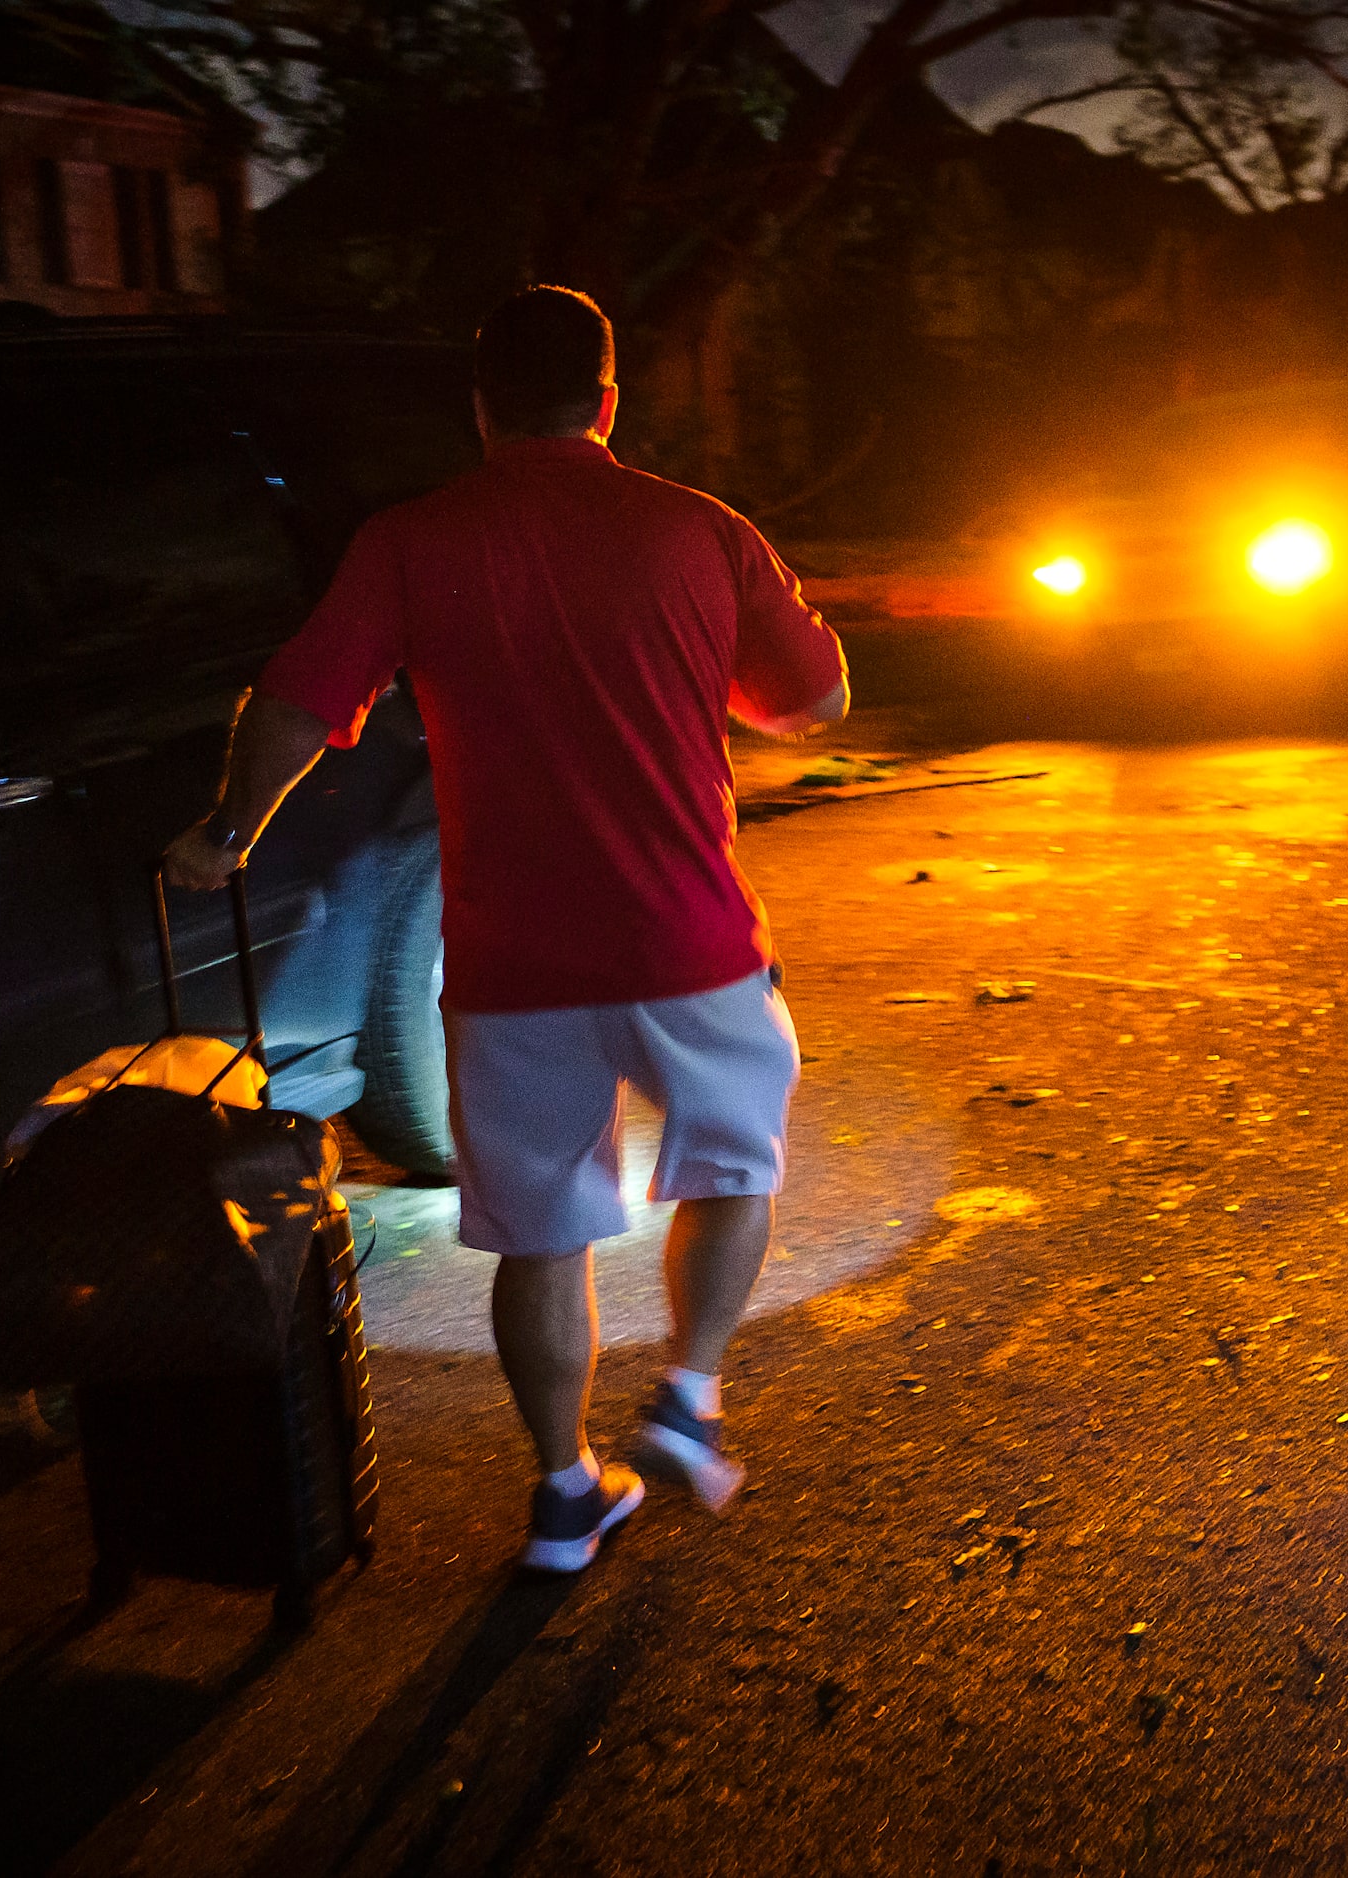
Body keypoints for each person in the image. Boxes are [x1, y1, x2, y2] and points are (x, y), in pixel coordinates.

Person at [164, 286, 847, 1573]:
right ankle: (689, 1401)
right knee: (735, 1165)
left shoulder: (413, 542)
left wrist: (227, 832)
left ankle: (561, 1494)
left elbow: (298, 702)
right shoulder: (699, 529)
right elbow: (814, 697)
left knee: (541, 1233)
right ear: (607, 402)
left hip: (506, 965)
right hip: (689, 941)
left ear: (480, 410)